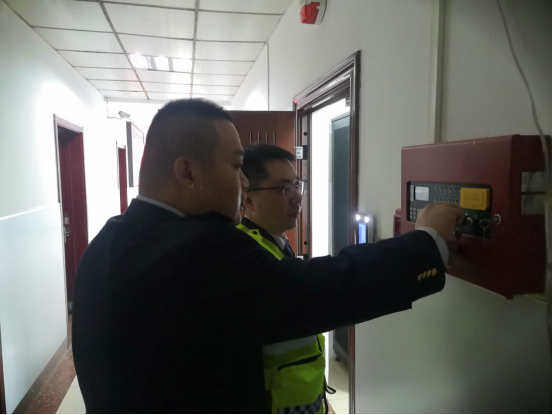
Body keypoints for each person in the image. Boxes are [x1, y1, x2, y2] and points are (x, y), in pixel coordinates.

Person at [72, 99, 464, 414]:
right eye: (235, 166)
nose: (244, 183)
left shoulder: (109, 239)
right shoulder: (201, 249)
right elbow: (322, 289)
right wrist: (426, 243)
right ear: (188, 173)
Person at [238, 143, 328, 414]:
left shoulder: (276, 242)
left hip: (304, 398)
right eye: (284, 188)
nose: (298, 197)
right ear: (248, 200)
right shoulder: (246, 256)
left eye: (297, 185)